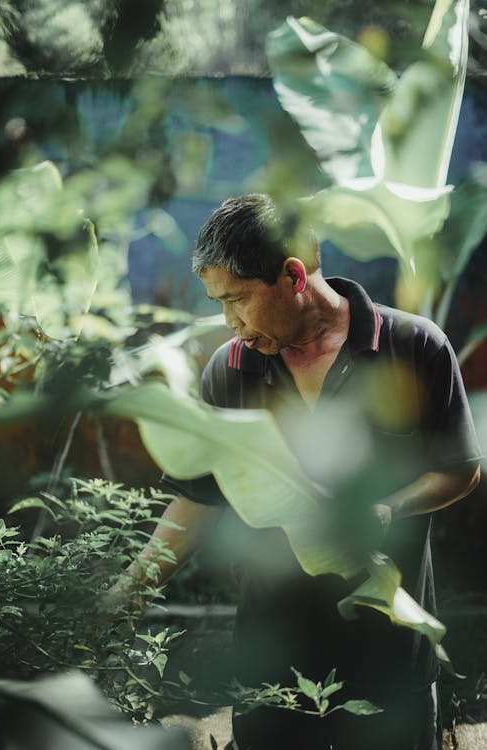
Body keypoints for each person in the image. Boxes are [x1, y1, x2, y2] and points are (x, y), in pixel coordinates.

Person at [112, 194, 481, 750]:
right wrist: (126, 590)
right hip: (272, 659)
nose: (230, 324)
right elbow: (198, 500)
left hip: (389, 655)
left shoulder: (414, 346)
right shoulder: (231, 370)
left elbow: (460, 470)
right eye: (219, 304)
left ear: (291, 275)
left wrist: (390, 507)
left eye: (237, 301)